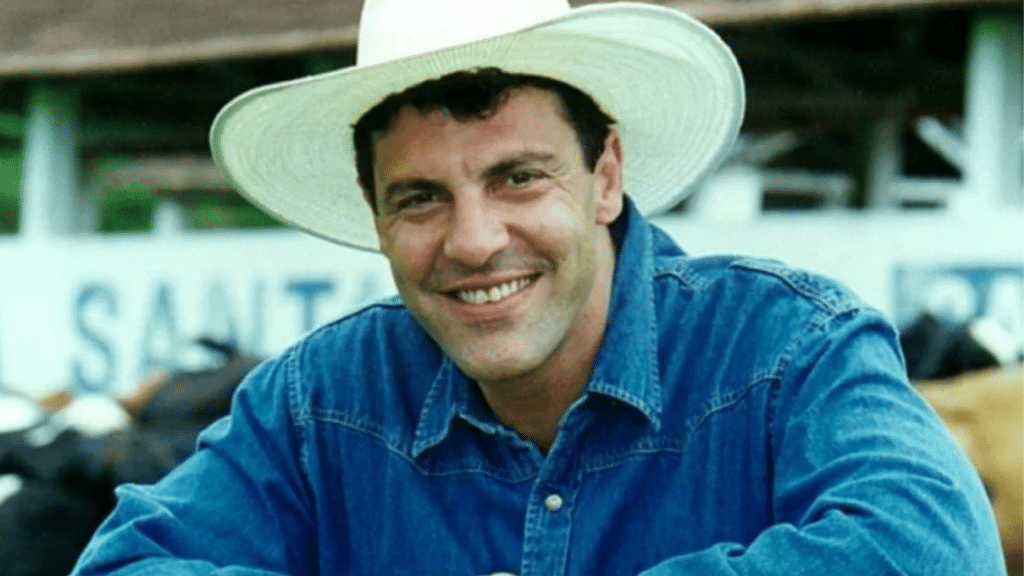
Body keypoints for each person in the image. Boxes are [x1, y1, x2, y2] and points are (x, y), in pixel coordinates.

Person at [73, 0, 1006, 574]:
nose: (475, 241)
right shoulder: (318, 401)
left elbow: (934, 556)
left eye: (519, 178)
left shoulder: (788, 348)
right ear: (375, 215)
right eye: (420, 198)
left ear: (607, 178)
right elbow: (126, 567)